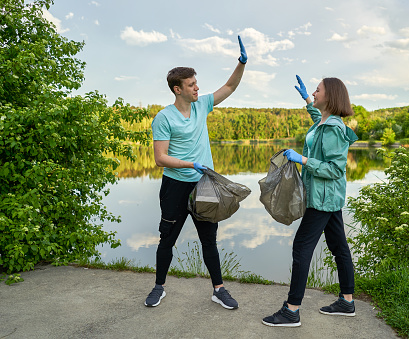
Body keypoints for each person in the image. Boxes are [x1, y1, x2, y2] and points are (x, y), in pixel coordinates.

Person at [144, 36, 247, 309]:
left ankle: (219, 289)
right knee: (167, 239)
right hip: (176, 188)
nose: (197, 88)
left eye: (196, 83)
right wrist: (191, 164)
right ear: (178, 89)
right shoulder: (164, 118)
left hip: (204, 187)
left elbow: (229, 87)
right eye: (191, 85)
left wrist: (241, 63)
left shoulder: (202, 106)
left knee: (209, 240)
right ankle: (159, 287)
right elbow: (160, 158)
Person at [262, 75, 358, 327]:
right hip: (327, 197)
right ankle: (347, 301)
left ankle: (291, 310)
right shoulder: (325, 122)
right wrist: (306, 99)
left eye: (317, 90)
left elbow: (336, 169)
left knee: (301, 248)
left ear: (330, 96)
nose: (314, 93)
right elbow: (319, 124)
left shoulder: (335, 128)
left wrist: (302, 160)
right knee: (339, 247)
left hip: (321, 199)